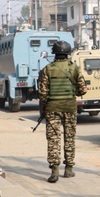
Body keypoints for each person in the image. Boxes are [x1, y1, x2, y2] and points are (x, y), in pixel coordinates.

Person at [38, 40, 87, 183]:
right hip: (70, 108)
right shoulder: (75, 68)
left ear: (55, 53)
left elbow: (42, 93)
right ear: (68, 53)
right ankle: (69, 169)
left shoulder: (48, 69)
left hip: (53, 108)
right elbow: (82, 90)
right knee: (69, 138)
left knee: (54, 139)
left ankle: (54, 171)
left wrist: (46, 104)